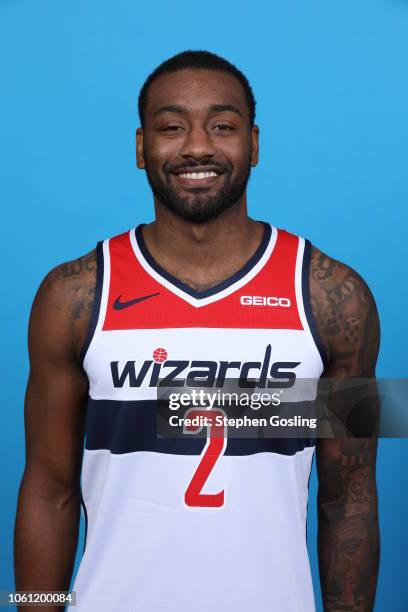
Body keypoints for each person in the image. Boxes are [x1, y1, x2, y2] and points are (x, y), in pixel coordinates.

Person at [14, 50, 380, 612]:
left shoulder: (335, 297)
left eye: (223, 125)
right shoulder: (72, 296)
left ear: (255, 144)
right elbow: (47, 490)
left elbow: (349, 497)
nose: (198, 146)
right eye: (172, 127)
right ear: (141, 148)